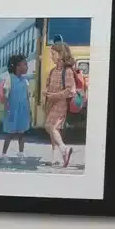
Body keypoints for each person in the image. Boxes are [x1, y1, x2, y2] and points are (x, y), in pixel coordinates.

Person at [43, 37, 76, 168]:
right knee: (54, 131)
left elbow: (71, 91)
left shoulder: (67, 71)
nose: (51, 56)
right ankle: (54, 158)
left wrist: (55, 95)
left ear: (61, 55)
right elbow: (48, 85)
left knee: (49, 127)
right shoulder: (52, 71)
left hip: (60, 104)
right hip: (51, 103)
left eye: (53, 54)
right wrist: (47, 93)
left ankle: (64, 149)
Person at [1, 53, 32, 161]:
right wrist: (7, 109)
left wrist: (29, 111)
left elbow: (27, 97)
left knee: (21, 133)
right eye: (24, 64)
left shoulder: (25, 81)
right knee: (10, 133)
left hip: (23, 111)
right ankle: (4, 154)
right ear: (17, 67)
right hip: (12, 110)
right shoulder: (9, 79)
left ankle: (21, 153)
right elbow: (6, 95)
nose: (27, 67)